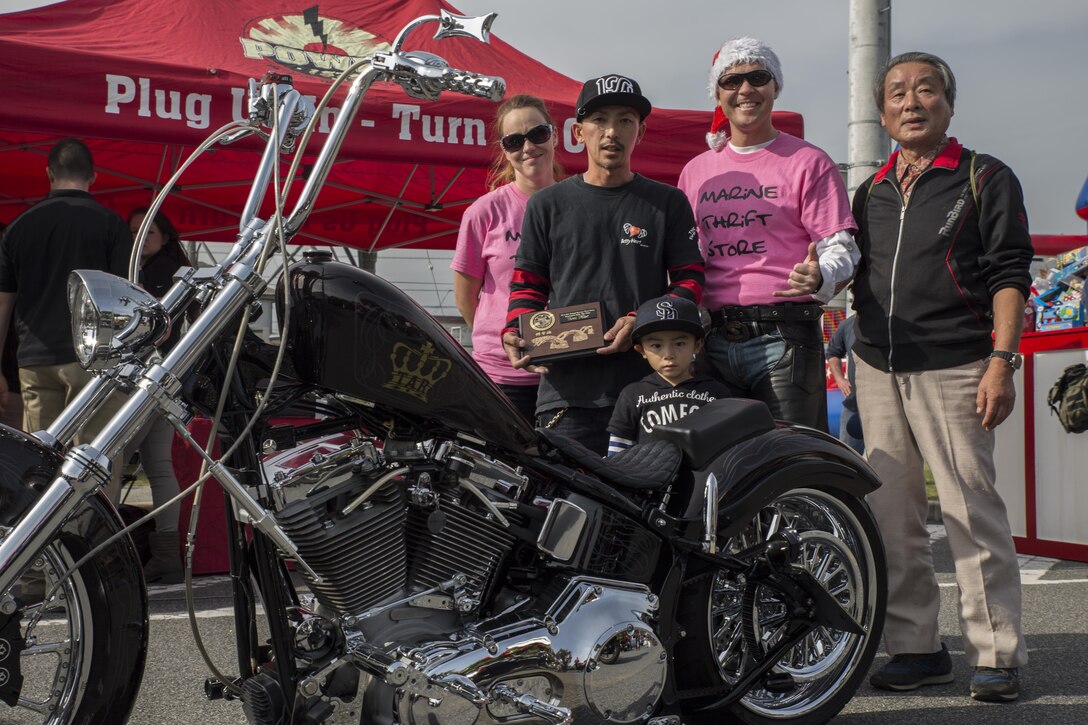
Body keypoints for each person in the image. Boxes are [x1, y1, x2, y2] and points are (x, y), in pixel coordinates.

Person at [852, 52, 1032, 702]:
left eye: (926, 89)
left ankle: (996, 652)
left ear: (949, 105)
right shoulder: (870, 190)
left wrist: (1002, 360)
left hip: (957, 363)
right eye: (897, 91)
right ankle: (917, 646)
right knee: (892, 512)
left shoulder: (984, 176)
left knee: (967, 508)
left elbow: (1012, 273)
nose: (911, 101)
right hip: (876, 366)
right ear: (881, 113)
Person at [502, 74, 705, 455]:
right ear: (578, 132)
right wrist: (514, 331)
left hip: (653, 390)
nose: (611, 132)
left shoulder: (668, 202)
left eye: (625, 120)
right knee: (571, 508)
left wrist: (644, 321)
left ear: (640, 132)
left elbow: (690, 281)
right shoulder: (546, 205)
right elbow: (528, 286)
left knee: (650, 511)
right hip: (566, 395)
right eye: (599, 120)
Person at [678, 37, 859, 431]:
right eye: (731, 81)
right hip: (712, 337)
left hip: (785, 334)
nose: (745, 90)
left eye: (758, 77)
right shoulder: (694, 171)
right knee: (720, 464)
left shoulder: (809, 161)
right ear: (718, 95)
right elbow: (686, 256)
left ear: (775, 86)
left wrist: (821, 275)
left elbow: (841, 247)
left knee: (790, 461)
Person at [0, 138, 132, 498]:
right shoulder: (112, 224)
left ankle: (42, 549)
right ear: (93, 176)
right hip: (93, 360)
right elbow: (123, 297)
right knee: (95, 459)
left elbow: (3, 303)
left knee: (37, 466)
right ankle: (93, 545)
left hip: (34, 360)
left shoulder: (19, 226)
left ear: (48, 174)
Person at [452, 95, 563, 422]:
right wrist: (499, 341)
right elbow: (465, 298)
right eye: (515, 140)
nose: (528, 147)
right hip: (501, 377)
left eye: (538, 134)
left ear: (554, 135)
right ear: (504, 149)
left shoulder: (579, 206)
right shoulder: (483, 212)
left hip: (566, 371)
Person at [125, 206, 189, 584]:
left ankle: (115, 553)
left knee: (113, 462)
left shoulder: (158, 274)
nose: (140, 238)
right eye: (134, 232)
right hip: (167, 379)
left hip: (147, 380)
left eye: (147, 232)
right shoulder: (169, 270)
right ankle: (167, 554)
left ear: (165, 237)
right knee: (158, 466)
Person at [607, 296, 730, 455]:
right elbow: (618, 457)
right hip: (651, 478)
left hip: (707, 479)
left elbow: (730, 448)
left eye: (679, 343)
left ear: (697, 345)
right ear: (641, 350)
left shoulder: (717, 393)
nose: (668, 354)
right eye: (656, 345)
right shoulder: (632, 395)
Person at [826, 313, 863, 453]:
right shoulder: (847, 325)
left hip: (884, 403)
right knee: (848, 453)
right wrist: (840, 380)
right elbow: (832, 353)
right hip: (853, 404)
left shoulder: (887, 321)